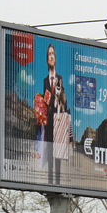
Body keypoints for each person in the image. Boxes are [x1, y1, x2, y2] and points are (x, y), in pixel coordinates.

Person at [41, 43, 70, 185]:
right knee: (49, 152)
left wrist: (61, 98)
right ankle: (50, 181)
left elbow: (64, 101)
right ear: (47, 59)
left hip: (58, 121)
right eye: (49, 54)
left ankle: (57, 182)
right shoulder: (45, 80)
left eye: (53, 54)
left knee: (58, 153)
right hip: (49, 123)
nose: (51, 56)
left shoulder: (60, 78)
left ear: (55, 58)